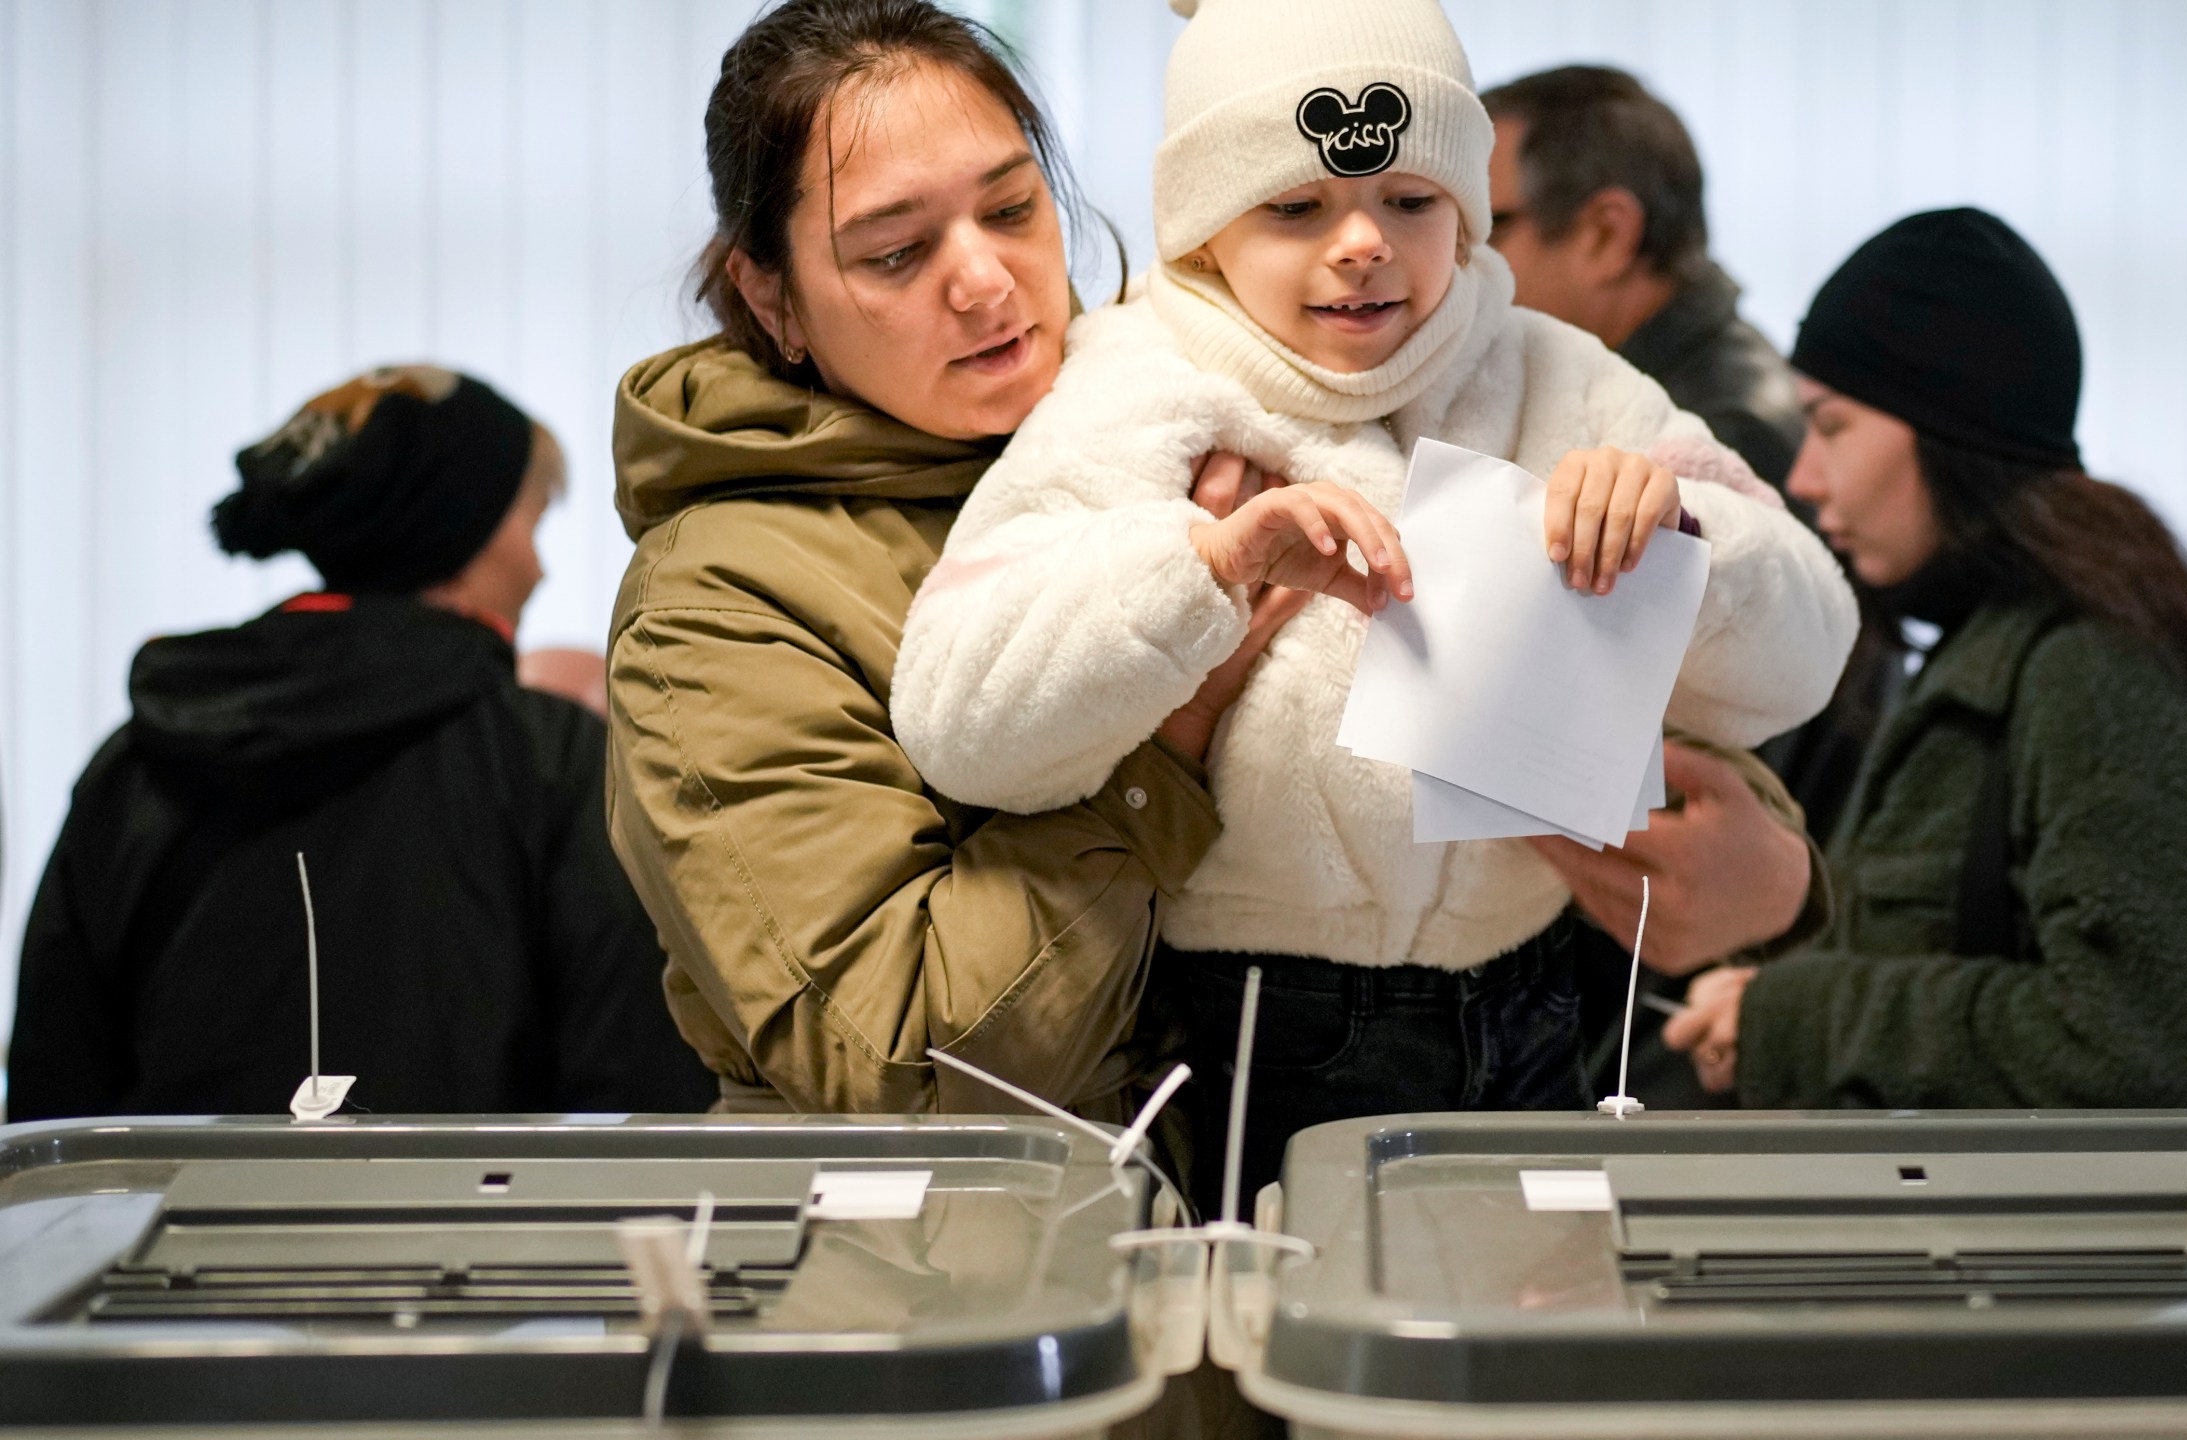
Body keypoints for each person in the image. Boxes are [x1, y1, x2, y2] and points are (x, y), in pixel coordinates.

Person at [888, 0, 1857, 1207]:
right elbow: (957, 718)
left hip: (1546, 998)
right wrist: (1203, 568)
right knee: (1289, 1352)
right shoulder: (1131, 389)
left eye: (1412, 200)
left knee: (1511, 1363)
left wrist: (1681, 541)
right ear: (1198, 230)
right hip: (1247, 1011)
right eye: (1295, 206)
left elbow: (1807, 654)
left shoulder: (1558, 375)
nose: (1362, 243)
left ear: (1468, 207)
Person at [603, 0, 1291, 1152]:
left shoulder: (1167, 410)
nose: (985, 280)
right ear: (771, 296)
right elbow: (907, 1069)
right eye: (895, 252)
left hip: (1250, 1210)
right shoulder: (716, 609)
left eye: (1014, 209)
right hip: (942, 1263)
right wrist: (1172, 720)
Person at [1662, 208, 2187, 1109]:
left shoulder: (2089, 670)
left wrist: (1801, 1015)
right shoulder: (1997, 648)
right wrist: (1765, 1001)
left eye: (1833, 425)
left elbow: (2153, 1039)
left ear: (1946, 429)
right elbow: (1959, 952)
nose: (1809, 477)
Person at [9, 365, 714, 1121]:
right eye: (530, 523)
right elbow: (633, 1086)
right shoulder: (546, 760)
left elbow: (56, 1102)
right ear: (454, 525)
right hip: (481, 1235)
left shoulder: (139, 761)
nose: (539, 566)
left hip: (166, 1236)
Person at [1480, 62, 1892, 1107]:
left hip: (1686, 998)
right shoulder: (1704, 384)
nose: (1453, 269)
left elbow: (1654, 771)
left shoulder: (1709, 440)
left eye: (1485, 228)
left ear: (1608, 233)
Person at [1480, 64, 1800, 487]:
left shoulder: (1723, 443)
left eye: (1485, 229)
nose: (1456, 261)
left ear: (1605, 236)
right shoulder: (1617, 387)